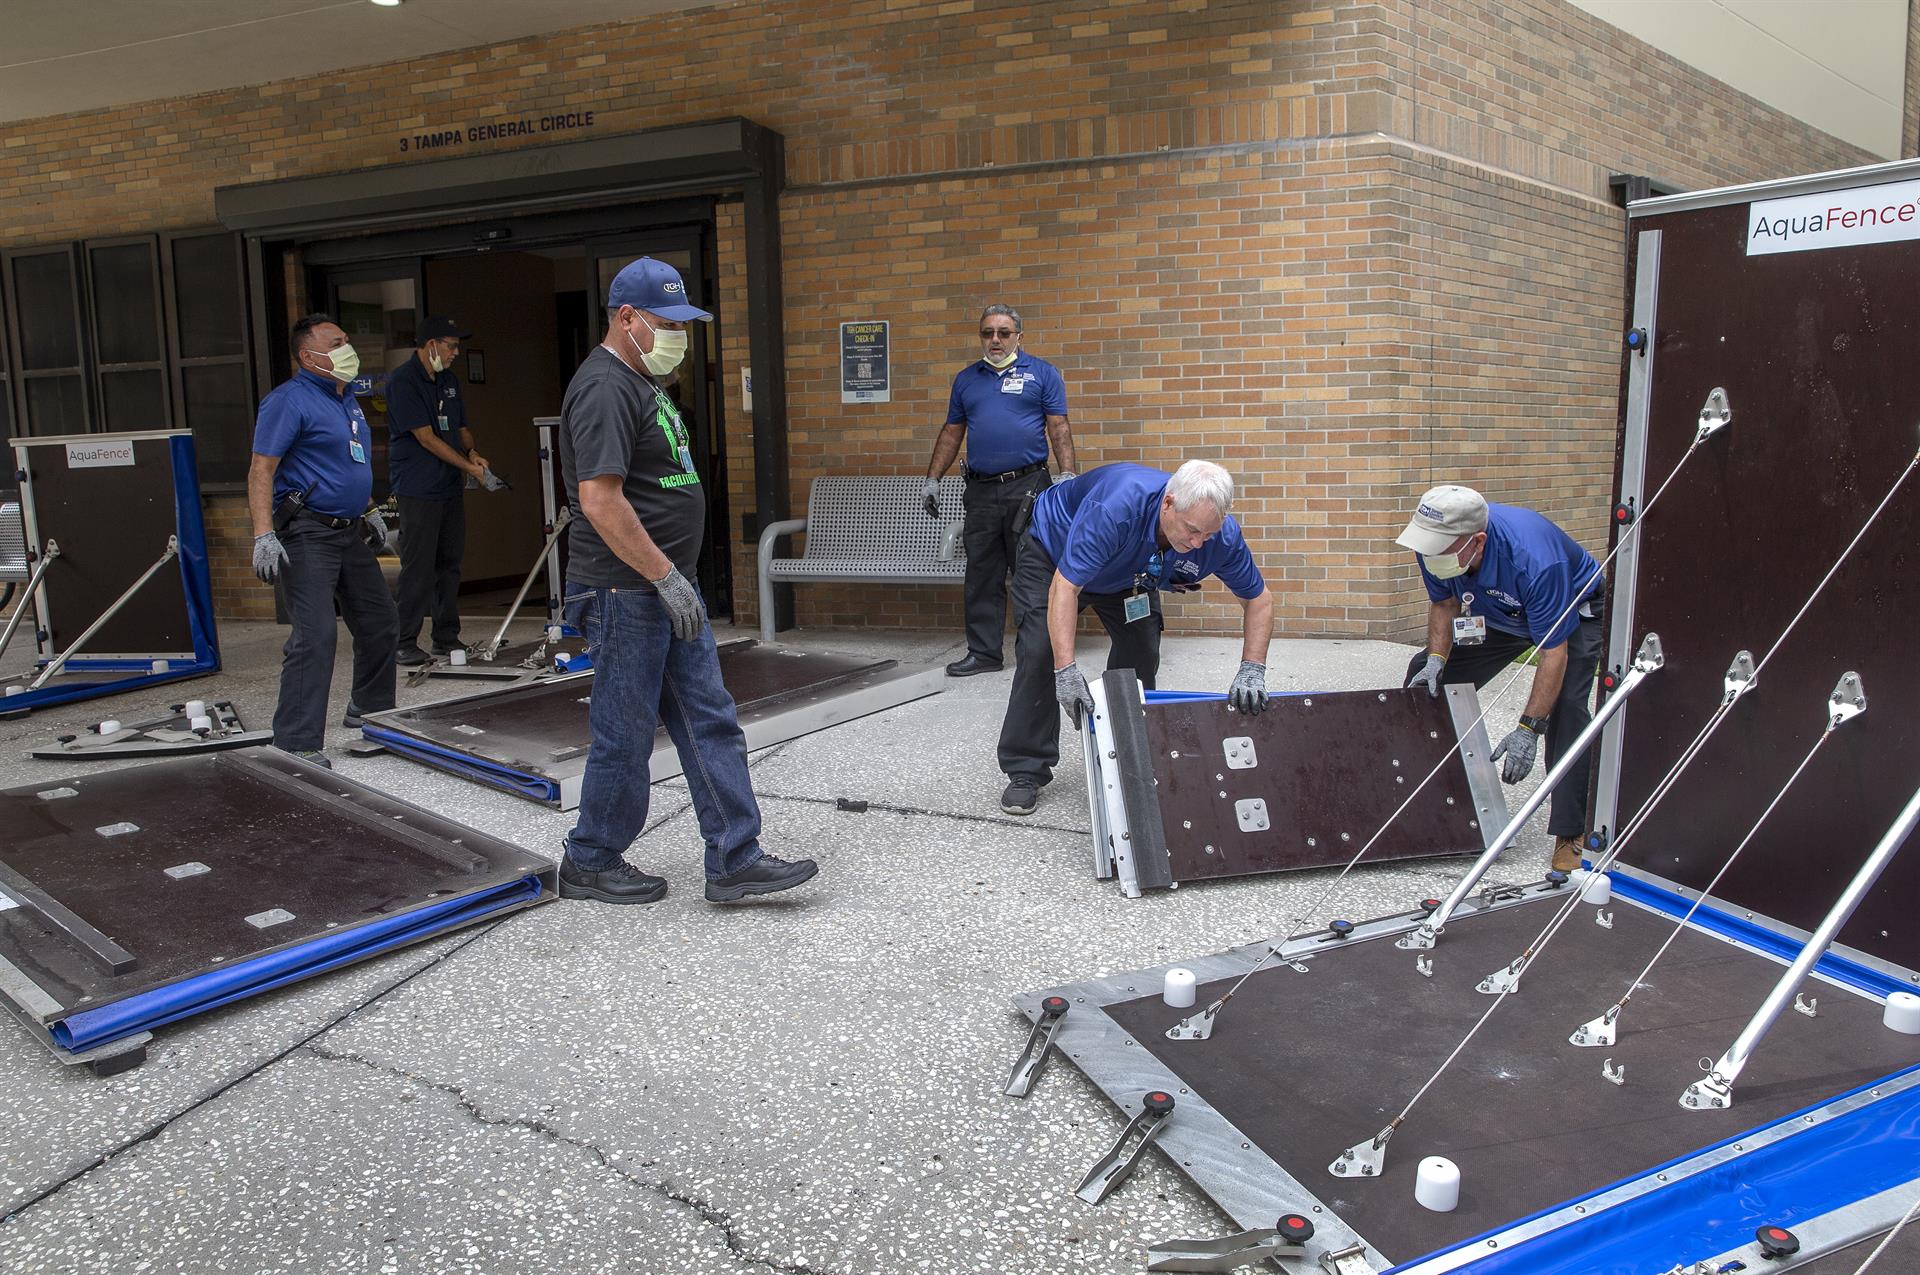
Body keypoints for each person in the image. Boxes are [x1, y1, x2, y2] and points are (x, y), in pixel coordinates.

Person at [554, 256, 817, 905]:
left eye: (682, 324)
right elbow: (600, 499)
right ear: (627, 318)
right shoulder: (605, 388)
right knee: (625, 731)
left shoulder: (643, 383)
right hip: (626, 590)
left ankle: (735, 857)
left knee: (710, 719)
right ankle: (589, 859)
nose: (678, 336)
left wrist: (675, 580)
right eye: (667, 324)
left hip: (666, 585)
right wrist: (664, 576)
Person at [997, 460, 1273, 816]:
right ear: (1168, 503)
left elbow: (1258, 600)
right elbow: (1066, 587)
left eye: (1207, 534)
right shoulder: (1116, 507)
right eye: (1192, 530)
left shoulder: (1221, 537)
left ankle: (1125, 755)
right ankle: (1026, 769)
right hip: (1055, 555)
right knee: (1040, 650)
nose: (1197, 543)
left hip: (1130, 574)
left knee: (1141, 650)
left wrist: (1252, 669)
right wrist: (1066, 671)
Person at [1394, 484, 1605, 873]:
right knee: (1427, 679)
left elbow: (1553, 653)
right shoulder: (1435, 545)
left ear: (1477, 541)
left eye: (1438, 548)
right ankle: (1438, 800)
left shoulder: (1535, 560)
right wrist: (1438, 660)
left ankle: (1571, 832)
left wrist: (1528, 728)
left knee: (1567, 709)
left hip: (1571, 610)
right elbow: (1444, 602)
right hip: (1499, 611)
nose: (1427, 554)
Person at [247, 314, 398, 768]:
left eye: (346, 340)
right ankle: (295, 743)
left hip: (347, 529)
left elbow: (347, 463)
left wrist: (368, 508)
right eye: (336, 344)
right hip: (306, 531)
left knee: (380, 619)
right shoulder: (287, 401)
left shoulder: (346, 398)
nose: (347, 349)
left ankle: (370, 711)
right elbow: (261, 470)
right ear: (308, 356)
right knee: (315, 635)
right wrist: (263, 534)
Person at [923, 304, 1077, 678]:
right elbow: (952, 432)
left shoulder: (1042, 373)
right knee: (982, 574)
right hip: (981, 491)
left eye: (1003, 333)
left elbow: (1058, 427)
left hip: (1028, 488)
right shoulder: (966, 379)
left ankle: (1036, 654)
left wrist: (1068, 475)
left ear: (1019, 337)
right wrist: (932, 479)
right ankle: (984, 654)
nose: (995, 339)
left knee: (1032, 572)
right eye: (988, 332)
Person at [385, 315, 505, 666]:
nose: (455, 353)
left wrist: (473, 453)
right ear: (430, 344)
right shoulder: (403, 381)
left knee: (449, 564)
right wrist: (469, 468)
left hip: (448, 486)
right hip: (418, 486)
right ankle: (404, 641)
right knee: (418, 566)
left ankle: (446, 637)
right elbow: (425, 437)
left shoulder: (449, 379)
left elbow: (461, 426)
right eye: (450, 346)